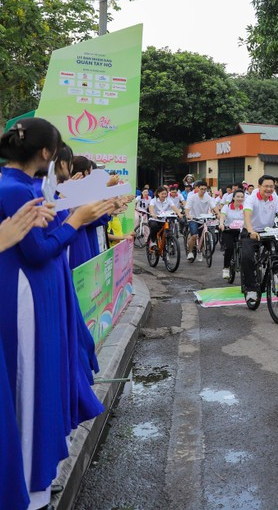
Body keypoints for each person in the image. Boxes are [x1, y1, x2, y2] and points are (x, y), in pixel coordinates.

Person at [0, 118, 111, 509]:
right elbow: (36, 250)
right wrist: (76, 220)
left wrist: (81, 214)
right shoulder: (14, 189)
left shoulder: (24, 186)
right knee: (28, 385)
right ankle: (29, 487)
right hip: (25, 298)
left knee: (40, 382)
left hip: (39, 295)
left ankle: (36, 479)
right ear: (48, 154)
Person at [241, 175, 278, 302]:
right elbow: (247, 215)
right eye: (266, 186)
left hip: (268, 231)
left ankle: (275, 272)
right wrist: (251, 230)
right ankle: (251, 289)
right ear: (259, 187)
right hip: (251, 232)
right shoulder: (251, 199)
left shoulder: (275, 198)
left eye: (271, 186)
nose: (269, 189)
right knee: (246, 256)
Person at [184, 180, 219, 262]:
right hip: (194, 219)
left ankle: (200, 250)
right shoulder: (192, 197)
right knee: (194, 236)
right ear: (197, 189)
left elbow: (214, 206)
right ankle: (190, 251)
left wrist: (218, 214)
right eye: (202, 189)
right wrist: (188, 215)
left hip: (204, 219)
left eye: (205, 189)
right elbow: (187, 208)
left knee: (203, 235)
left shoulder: (208, 197)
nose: (203, 191)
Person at [219, 189, 246, 279]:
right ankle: (226, 268)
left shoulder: (246, 207)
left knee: (247, 247)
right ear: (233, 197)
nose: (240, 198)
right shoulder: (227, 207)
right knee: (229, 248)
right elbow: (222, 216)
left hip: (241, 231)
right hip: (229, 230)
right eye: (238, 196)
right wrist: (221, 224)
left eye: (242, 197)